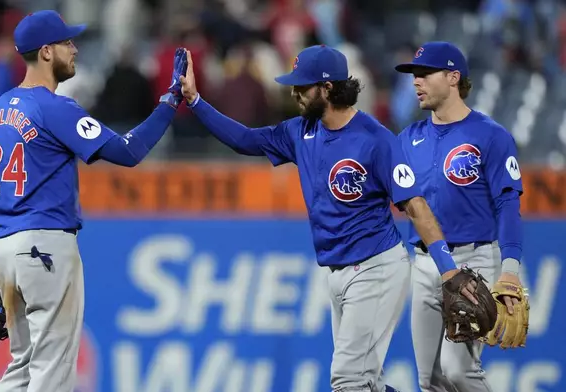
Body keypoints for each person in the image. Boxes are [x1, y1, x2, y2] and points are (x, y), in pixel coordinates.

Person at [178, 45, 476, 392]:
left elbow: (416, 206)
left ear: (328, 88)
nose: (295, 93)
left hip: (376, 269)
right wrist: (195, 100)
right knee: (368, 383)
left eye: (303, 87)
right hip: (336, 274)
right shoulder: (300, 131)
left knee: (348, 380)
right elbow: (245, 140)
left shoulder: (375, 139)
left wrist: (449, 269)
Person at [0, 10, 187, 392]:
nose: (75, 49)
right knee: (53, 369)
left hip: (4, 249)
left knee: (22, 366)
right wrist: (169, 102)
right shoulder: (54, 108)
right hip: (45, 247)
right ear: (46, 52)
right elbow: (127, 152)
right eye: (67, 43)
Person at [394, 41, 525, 392]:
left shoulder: (490, 135)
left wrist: (510, 269)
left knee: (458, 371)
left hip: (474, 260)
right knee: (430, 380)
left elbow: (508, 203)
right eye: (414, 76)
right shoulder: (407, 139)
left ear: (453, 77)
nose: (416, 82)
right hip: (424, 262)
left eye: (425, 74)